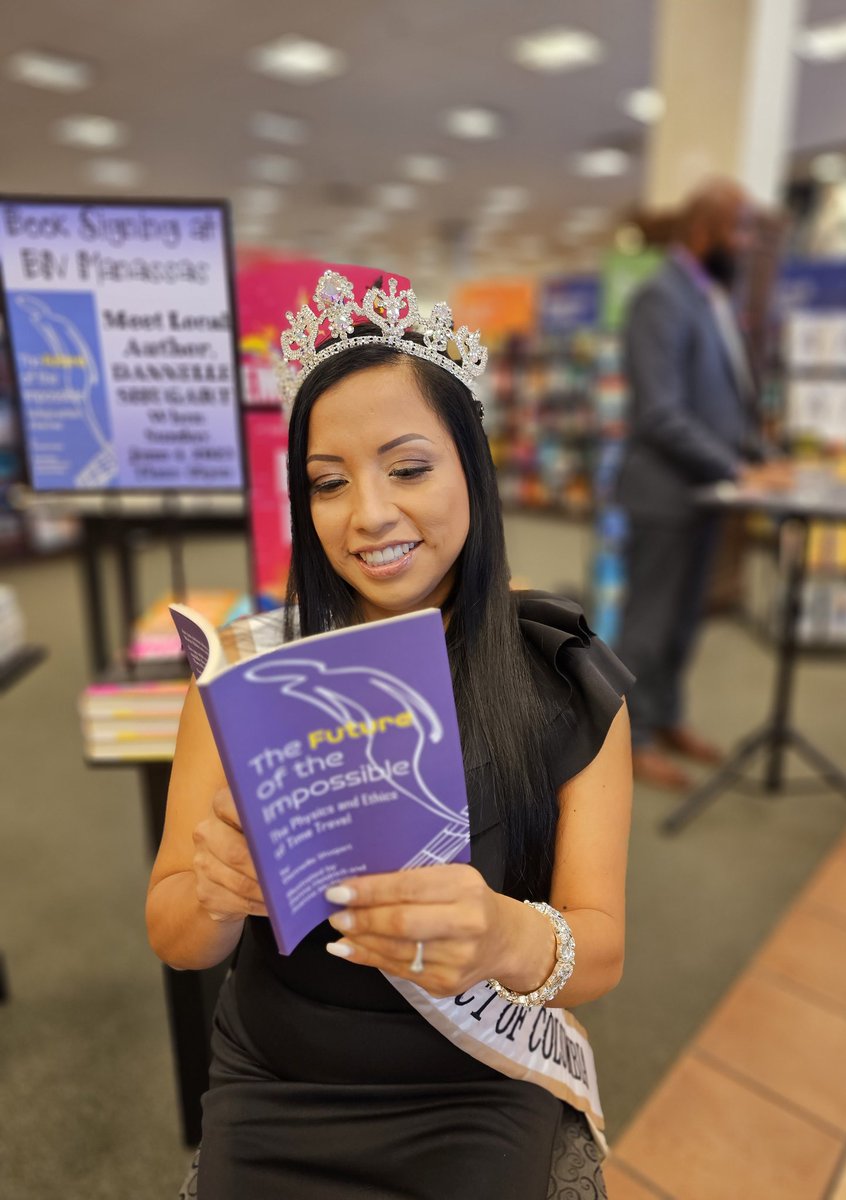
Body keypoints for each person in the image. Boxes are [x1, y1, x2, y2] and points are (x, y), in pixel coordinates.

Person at [146, 271, 633, 1199]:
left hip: (473, 1089)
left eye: (408, 468)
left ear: (472, 470)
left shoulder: (562, 682)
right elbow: (175, 937)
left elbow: (600, 946)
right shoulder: (253, 679)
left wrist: (502, 937)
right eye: (328, 482)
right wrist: (216, 889)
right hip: (277, 1081)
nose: (368, 514)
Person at [615, 179, 791, 790]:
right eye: (738, 229)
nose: (745, 244)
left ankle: (664, 720)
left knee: (685, 623)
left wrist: (763, 456)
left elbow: (727, 404)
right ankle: (628, 741)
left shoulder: (708, 297)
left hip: (705, 497)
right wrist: (740, 470)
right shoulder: (659, 298)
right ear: (703, 231)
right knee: (648, 625)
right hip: (664, 497)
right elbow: (661, 414)